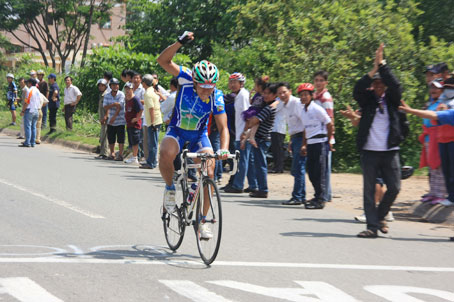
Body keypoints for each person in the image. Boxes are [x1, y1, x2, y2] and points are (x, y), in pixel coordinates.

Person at [156, 31, 229, 239]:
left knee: (210, 169)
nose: (207, 91)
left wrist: (223, 149)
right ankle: (170, 188)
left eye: (211, 87)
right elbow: (163, 60)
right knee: (166, 151)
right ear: (195, 81)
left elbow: (223, 128)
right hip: (177, 131)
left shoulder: (217, 96)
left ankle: (203, 221)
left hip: (199, 136)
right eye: (203, 87)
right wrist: (179, 42)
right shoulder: (186, 77)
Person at [353, 43, 403, 238]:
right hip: (370, 151)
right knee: (368, 190)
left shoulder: (392, 99)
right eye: (375, 83)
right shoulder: (367, 100)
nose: (379, 86)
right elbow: (357, 89)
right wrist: (374, 69)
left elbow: (396, 85)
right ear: (372, 86)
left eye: (382, 83)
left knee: (395, 188)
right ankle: (372, 227)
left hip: (390, 150)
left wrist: (382, 64)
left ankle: (380, 215)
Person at [399, 102, 454, 210]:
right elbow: (432, 114)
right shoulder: (445, 113)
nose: (440, 109)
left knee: (452, 171)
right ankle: (451, 197)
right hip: (443, 142)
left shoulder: (451, 113)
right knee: (447, 171)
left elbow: (432, 115)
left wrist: (411, 111)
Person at [297, 83, 334, 209]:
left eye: (306, 95)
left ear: (311, 96)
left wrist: (328, 141)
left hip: (320, 142)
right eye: (301, 95)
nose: (303, 97)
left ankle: (321, 199)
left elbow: (329, 124)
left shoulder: (317, 108)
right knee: (311, 172)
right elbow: (305, 130)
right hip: (311, 143)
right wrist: (304, 145)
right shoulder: (303, 111)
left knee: (320, 172)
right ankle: (317, 195)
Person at [241, 83, 279, 198]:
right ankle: (260, 188)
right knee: (258, 164)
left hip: (262, 139)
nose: (265, 96)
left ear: (274, 95)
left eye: (268, 94)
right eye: (264, 93)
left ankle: (263, 189)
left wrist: (250, 123)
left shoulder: (268, 108)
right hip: (260, 138)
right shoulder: (268, 106)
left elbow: (254, 121)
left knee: (260, 165)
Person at [224, 72, 258, 194]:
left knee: (241, 160)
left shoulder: (243, 96)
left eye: (235, 82)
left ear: (241, 83)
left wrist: (245, 133)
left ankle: (238, 185)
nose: (232, 85)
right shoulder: (238, 95)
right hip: (240, 132)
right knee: (248, 160)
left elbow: (248, 116)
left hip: (243, 134)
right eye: (231, 82)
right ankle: (254, 185)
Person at [418, 79, 448, 204]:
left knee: (439, 165)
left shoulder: (443, 104)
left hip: (437, 136)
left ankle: (440, 194)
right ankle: (433, 192)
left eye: (436, 88)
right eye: (432, 88)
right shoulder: (430, 103)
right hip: (428, 137)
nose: (433, 90)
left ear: (442, 90)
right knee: (432, 166)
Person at [279, 82, 307, 205]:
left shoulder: (296, 103)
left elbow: (305, 123)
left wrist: (304, 143)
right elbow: (292, 125)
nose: (282, 95)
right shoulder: (284, 105)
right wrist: (291, 140)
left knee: (299, 168)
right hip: (295, 137)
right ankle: (300, 195)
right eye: (279, 93)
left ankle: (298, 197)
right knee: (297, 168)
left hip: (302, 137)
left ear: (290, 91)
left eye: (284, 92)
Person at [313, 70, 335, 202]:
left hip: (325, 137)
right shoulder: (316, 96)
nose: (318, 83)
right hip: (317, 135)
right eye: (316, 80)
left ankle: (325, 195)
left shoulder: (325, 97)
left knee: (324, 169)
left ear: (326, 82)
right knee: (321, 168)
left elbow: (330, 119)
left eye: (321, 80)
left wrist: (329, 138)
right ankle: (327, 194)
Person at [140, 74, 162, 169]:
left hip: (154, 121)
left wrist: (152, 123)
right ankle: (150, 161)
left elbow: (151, 109)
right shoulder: (152, 91)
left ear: (144, 83)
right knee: (152, 142)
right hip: (155, 120)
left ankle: (151, 163)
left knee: (152, 143)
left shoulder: (148, 94)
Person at [103, 78, 126, 161]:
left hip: (120, 120)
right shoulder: (107, 95)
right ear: (110, 86)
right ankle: (112, 153)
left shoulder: (121, 94)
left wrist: (114, 117)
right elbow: (105, 106)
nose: (115, 86)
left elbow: (119, 106)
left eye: (116, 85)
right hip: (110, 121)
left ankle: (120, 154)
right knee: (111, 138)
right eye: (113, 85)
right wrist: (113, 104)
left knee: (121, 138)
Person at [124, 83, 144, 164]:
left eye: (129, 89)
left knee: (135, 141)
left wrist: (137, 118)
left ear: (132, 90)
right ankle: (133, 156)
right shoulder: (127, 99)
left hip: (135, 124)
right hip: (129, 123)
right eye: (126, 89)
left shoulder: (135, 99)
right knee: (131, 140)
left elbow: (141, 109)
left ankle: (135, 157)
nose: (127, 91)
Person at [19, 78, 40, 147]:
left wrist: (23, 111)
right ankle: (32, 142)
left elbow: (27, 102)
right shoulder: (37, 90)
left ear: (30, 83)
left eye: (27, 82)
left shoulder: (29, 91)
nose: (27, 84)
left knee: (27, 126)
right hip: (36, 110)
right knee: (33, 127)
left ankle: (27, 142)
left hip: (30, 110)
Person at [270, 90, 286, 174]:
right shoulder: (278, 100)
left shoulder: (279, 101)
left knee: (278, 150)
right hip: (275, 128)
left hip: (278, 128)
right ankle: (277, 166)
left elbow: (272, 109)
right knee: (275, 149)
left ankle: (279, 167)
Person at [95, 79, 110, 160]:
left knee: (105, 136)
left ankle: (105, 153)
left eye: (102, 85)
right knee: (102, 136)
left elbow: (108, 107)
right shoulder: (101, 95)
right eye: (99, 85)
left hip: (106, 118)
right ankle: (102, 152)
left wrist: (105, 117)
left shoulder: (106, 95)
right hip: (102, 118)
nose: (101, 87)